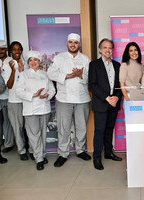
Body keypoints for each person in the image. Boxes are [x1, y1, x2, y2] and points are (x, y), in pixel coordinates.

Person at [47, 33, 92, 167]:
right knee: (63, 127)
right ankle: (63, 153)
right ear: (67, 44)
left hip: (82, 98)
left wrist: (81, 75)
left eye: (76, 43)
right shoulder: (59, 58)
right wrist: (68, 75)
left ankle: (80, 150)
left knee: (82, 126)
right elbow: (51, 73)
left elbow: (90, 77)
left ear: (79, 45)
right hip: (64, 98)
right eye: (71, 42)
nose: (73, 45)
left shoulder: (85, 59)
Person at [16, 51, 55, 170]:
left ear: (39, 62)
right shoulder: (24, 75)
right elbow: (19, 91)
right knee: (34, 134)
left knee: (42, 133)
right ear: (28, 63)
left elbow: (53, 90)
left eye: (36, 60)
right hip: (30, 108)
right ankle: (39, 159)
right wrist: (33, 94)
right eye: (30, 60)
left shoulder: (46, 74)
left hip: (44, 108)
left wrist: (47, 95)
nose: (33, 62)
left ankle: (40, 154)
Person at [89, 38, 123, 170]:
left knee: (109, 130)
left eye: (110, 48)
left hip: (113, 103)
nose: (108, 50)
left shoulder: (117, 65)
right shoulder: (94, 64)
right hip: (101, 103)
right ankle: (97, 157)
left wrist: (116, 97)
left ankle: (108, 153)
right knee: (99, 130)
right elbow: (92, 84)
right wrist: (106, 97)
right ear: (100, 49)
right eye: (105, 48)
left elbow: (120, 86)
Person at [7, 41, 32, 161]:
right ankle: (22, 151)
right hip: (14, 101)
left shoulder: (27, 64)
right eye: (14, 49)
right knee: (17, 127)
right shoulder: (7, 64)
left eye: (19, 49)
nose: (17, 52)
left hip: (26, 100)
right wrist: (13, 71)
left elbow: (28, 84)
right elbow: (9, 85)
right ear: (10, 51)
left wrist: (22, 71)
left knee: (30, 126)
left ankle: (32, 150)